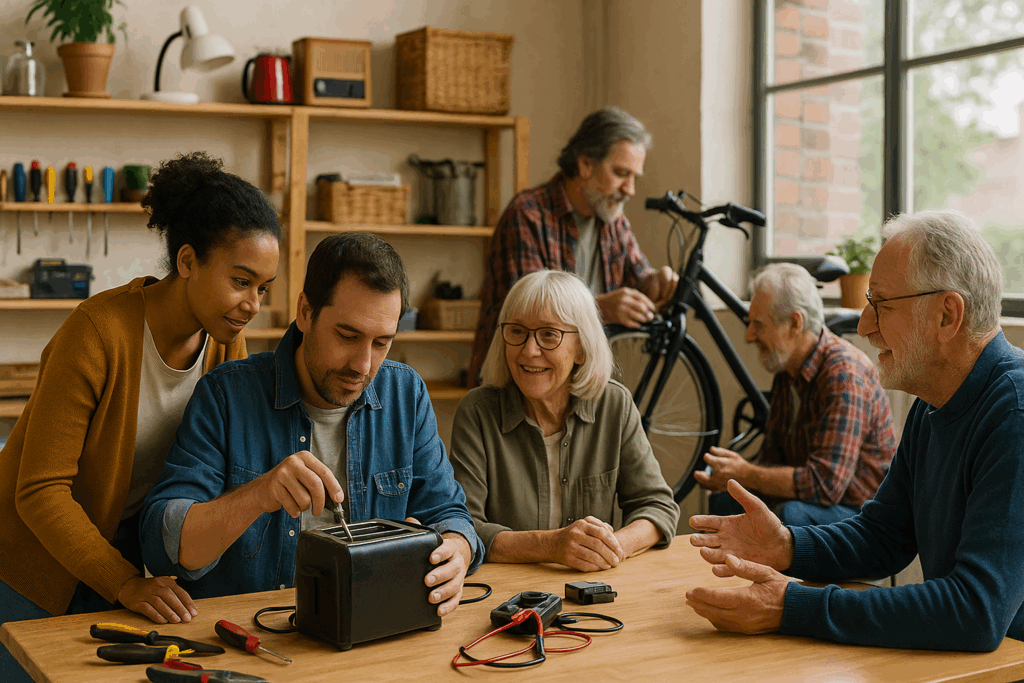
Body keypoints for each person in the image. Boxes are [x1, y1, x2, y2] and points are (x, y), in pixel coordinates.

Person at [686, 209, 1024, 651]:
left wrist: (793, 606)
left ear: (947, 316)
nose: (863, 325)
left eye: (881, 304)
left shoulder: (1014, 413)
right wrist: (785, 546)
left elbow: (975, 611)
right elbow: (884, 536)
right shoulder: (933, 403)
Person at [0, 152, 281, 682]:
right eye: (241, 281)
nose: (253, 305)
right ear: (188, 261)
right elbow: (40, 491)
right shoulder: (97, 333)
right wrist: (124, 582)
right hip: (31, 567)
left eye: (263, 288)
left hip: (119, 560)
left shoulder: (226, 346)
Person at [140, 232, 483, 616]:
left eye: (382, 342)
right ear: (305, 311)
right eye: (347, 335)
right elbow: (165, 545)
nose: (363, 365)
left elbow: (450, 513)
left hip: (371, 630)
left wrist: (458, 548)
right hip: (250, 637)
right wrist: (258, 495)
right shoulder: (226, 395)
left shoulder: (407, 394)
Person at [451, 270, 679, 572]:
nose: (529, 351)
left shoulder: (615, 405)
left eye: (549, 334)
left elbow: (658, 507)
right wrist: (552, 546)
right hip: (508, 596)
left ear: (582, 349)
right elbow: (464, 528)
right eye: (517, 332)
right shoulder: (478, 412)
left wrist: (609, 548)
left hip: (593, 590)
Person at [468, 107, 680, 384]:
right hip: (515, 384)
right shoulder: (527, 214)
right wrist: (598, 308)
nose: (630, 189)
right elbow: (526, 313)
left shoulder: (613, 221)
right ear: (585, 165)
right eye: (620, 173)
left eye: (634, 177)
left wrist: (656, 284)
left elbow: (637, 277)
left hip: (575, 382)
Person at [695, 263, 896, 526]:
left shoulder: (844, 374)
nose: (749, 336)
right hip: (816, 502)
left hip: (861, 515)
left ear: (794, 323)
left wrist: (744, 472)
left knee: (791, 515)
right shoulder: (786, 371)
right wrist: (731, 479)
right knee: (725, 501)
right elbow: (772, 461)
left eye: (757, 324)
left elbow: (825, 485)